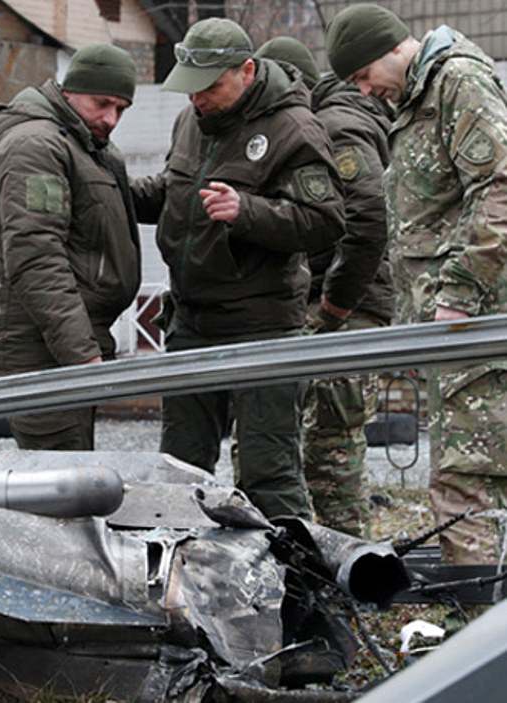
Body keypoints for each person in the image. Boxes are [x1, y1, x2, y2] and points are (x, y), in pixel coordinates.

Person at [132, 18, 345, 520]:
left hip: (261, 326)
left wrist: (247, 212)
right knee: (180, 470)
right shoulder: (191, 120)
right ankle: (184, 584)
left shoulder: (293, 128)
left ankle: (299, 590)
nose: (197, 99)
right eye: (191, 88)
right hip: (191, 321)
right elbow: (176, 189)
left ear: (246, 71)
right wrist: (116, 193)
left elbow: (326, 221)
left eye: (210, 87)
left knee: (267, 474)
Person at [327, 4, 507, 562]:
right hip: (452, 331)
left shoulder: (455, 81)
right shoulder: (418, 99)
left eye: (361, 76)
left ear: (388, 50)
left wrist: (458, 295)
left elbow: (500, 188)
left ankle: (473, 631)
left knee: (464, 482)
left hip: (471, 323)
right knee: (469, 476)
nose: (363, 91)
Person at [256, 37, 394, 536]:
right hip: (353, 299)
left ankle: (349, 568)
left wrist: (333, 304)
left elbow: (367, 220)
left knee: (329, 451)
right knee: (330, 443)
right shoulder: (342, 117)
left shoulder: (333, 128)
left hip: (349, 305)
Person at [0, 44, 142, 451]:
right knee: (55, 479)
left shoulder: (85, 144)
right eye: (102, 103)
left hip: (68, 341)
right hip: (41, 348)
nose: (111, 119)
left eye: (121, 109)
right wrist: (81, 355)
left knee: (72, 474)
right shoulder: (36, 146)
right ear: (69, 91)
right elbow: (37, 257)